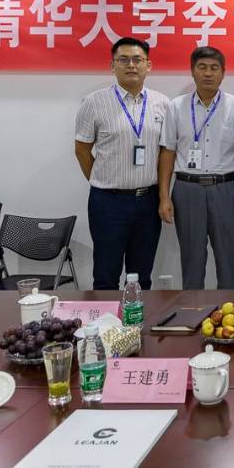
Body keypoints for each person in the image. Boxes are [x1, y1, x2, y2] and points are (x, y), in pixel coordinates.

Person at [75, 37, 169, 290]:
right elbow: (82, 150)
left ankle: (137, 316)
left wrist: (163, 196)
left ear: (149, 65)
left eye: (137, 59)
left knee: (141, 275)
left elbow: (165, 152)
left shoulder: (162, 103)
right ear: (112, 65)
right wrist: (103, 181)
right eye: (123, 60)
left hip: (148, 201)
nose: (131, 65)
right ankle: (106, 317)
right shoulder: (94, 102)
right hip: (108, 202)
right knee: (106, 274)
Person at [157, 46, 234, 290]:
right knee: (192, 259)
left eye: (214, 68)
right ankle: (192, 310)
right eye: (202, 67)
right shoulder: (176, 106)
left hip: (226, 189)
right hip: (187, 189)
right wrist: (164, 196)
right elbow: (168, 152)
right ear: (192, 71)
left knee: (228, 258)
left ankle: (232, 309)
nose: (208, 73)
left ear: (223, 73)